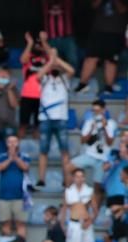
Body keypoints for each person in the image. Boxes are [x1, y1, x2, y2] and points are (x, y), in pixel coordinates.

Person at [36, 48, 74, 187]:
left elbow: (71, 70)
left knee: (64, 151)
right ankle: (41, 179)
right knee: (43, 151)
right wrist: (51, 61)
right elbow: (38, 75)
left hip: (61, 119)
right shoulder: (45, 78)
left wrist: (56, 59)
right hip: (45, 119)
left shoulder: (64, 79)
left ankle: (67, 180)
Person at [74, 0, 128, 95]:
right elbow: (93, 6)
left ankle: (108, 87)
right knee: (91, 58)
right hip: (98, 32)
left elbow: (122, 10)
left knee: (111, 61)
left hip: (115, 33)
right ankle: (82, 84)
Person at [70, 99, 117, 185]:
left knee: (98, 186)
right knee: (69, 166)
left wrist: (105, 127)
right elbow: (82, 141)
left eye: (98, 111)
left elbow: (110, 142)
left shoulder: (111, 123)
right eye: (94, 111)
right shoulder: (89, 122)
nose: (96, 113)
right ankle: (71, 193)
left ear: (104, 110)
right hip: (89, 155)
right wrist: (92, 129)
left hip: (103, 159)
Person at [0, 135, 30, 237]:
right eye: (10, 142)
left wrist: (16, 158)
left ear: (18, 143)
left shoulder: (24, 156)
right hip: (4, 196)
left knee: (21, 224)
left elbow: (25, 168)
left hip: (20, 196)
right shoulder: (1, 156)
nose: (12, 144)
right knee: (5, 223)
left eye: (14, 142)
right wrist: (10, 159)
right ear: (6, 144)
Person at [62, 168, 96, 242]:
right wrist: (63, 226)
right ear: (73, 178)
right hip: (73, 224)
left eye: (82, 176)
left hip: (86, 224)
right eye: (77, 176)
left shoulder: (89, 191)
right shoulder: (68, 191)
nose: (79, 179)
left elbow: (95, 210)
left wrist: (90, 222)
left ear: (84, 178)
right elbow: (64, 210)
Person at [18, 32, 50, 139]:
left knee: (38, 125)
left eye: (39, 44)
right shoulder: (29, 57)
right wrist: (30, 43)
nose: (38, 46)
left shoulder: (47, 59)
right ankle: (17, 148)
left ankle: (37, 151)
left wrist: (44, 41)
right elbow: (22, 59)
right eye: (36, 44)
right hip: (27, 95)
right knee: (23, 124)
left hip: (42, 96)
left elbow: (52, 55)